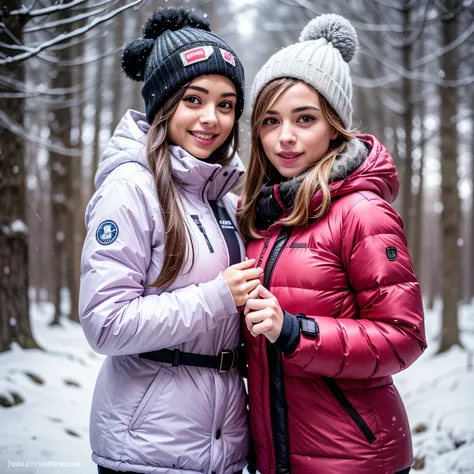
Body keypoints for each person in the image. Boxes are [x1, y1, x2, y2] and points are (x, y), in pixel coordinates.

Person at [237, 13, 427, 474]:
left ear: (335, 125)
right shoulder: (265, 214)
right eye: (270, 120)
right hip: (279, 457)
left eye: (305, 119)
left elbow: (405, 337)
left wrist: (296, 331)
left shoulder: (361, 211)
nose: (284, 137)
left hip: (355, 457)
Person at [79, 7, 262, 474]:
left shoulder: (219, 195)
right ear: (163, 103)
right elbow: (105, 323)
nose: (211, 119)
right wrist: (218, 297)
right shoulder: (131, 188)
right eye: (194, 99)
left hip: (222, 447)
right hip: (146, 449)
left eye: (225, 105)